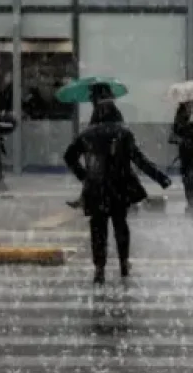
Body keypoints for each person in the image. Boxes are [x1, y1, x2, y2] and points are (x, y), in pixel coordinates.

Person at [64, 99, 171, 285]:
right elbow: (139, 160)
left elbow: (69, 157)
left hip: (96, 188)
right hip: (119, 186)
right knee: (120, 225)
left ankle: (99, 268)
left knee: (98, 228)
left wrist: (85, 176)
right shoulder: (123, 133)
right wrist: (161, 178)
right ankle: (123, 263)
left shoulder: (87, 134)